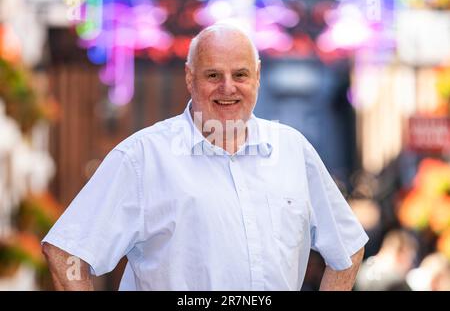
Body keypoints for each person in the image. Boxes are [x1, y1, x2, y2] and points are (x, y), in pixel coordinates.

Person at [42, 22, 368, 291]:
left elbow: (348, 247)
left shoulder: (293, 151)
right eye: (213, 75)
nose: (228, 88)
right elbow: (66, 251)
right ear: (189, 77)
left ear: (257, 76)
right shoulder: (142, 158)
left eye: (240, 75)